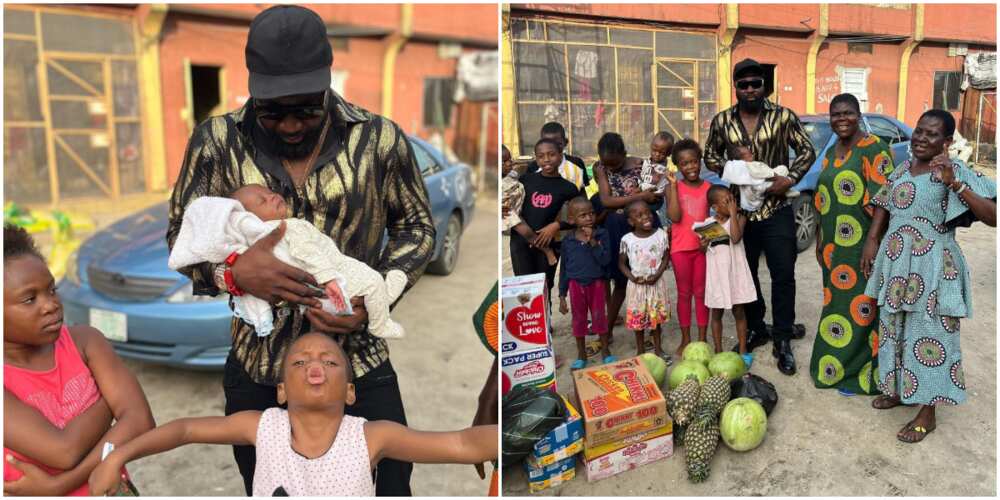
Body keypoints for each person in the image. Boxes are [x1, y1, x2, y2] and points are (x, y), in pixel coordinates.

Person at [164, 6, 435, 494]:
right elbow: (180, 238)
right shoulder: (216, 142)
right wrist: (234, 273)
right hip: (259, 369)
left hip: (358, 362)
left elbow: (417, 227)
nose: (290, 126)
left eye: (306, 109)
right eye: (273, 112)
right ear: (253, 87)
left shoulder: (378, 139)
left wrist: (373, 303)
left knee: (391, 483)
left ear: (328, 81)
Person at [88, 332, 498, 496]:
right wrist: (118, 457)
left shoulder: (371, 436)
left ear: (351, 392)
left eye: (330, 362)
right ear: (280, 391)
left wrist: (516, 433)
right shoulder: (262, 426)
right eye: (299, 363)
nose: (314, 365)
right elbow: (185, 430)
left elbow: (461, 442)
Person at [860, 109, 996, 443]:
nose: (920, 138)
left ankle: (927, 411)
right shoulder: (903, 168)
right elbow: (884, 203)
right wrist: (873, 239)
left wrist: (955, 183)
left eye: (931, 134)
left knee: (930, 335)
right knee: (894, 329)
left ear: (947, 142)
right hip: (896, 264)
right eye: (919, 131)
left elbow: (992, 215)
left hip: (934, 266)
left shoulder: (955, 170)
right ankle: (898, 388)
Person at [3, 224, 155, 496]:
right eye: (29, 299)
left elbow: (141, 421)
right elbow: (64, 451)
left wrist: (61, 484)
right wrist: (112, 403)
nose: (50, 304)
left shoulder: (85, 341)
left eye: (51, 290)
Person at [168, 184, 410, 340]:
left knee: (371, 285)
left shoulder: (256, 245)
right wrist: (329, 277)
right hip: (331, 282)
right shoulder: (287, 228)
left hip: (319, 302)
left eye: (269, 191)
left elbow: (414, 226)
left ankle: (381, 299)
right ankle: (380, 322)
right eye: (263, 200)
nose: (272, 196)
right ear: (249, 219)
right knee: (372, 280)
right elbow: (307, 253)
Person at [703, 58, 816, 375]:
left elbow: (806, 150)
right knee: (745, 274)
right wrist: (734, 165)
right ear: (736, 87)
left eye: (756, 83)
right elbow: (709, 154)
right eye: (744, 84)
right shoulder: (723, 121)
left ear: (765, 86)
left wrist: (789, 179)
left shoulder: (782, 117)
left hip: (777, 209)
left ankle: (782, 338)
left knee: (783, 275)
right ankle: (755, 326)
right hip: (740, 213)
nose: (750, 89)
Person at [808, 93, 895, 396]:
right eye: (835, 114)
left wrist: (872, 242)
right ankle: (836, 365)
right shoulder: (833, 151)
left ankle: (862, 373)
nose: (841, 119)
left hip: (862, 246)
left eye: (847, 113)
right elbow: (822, 199)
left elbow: (884, 200)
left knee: (864, 308)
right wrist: (820, 240)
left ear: (859, 116)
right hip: (835, 248)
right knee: (838, 305)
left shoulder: (874, 149)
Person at [593, 133, 663, 339]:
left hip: (644, 226)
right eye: (608, 165)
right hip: (618, 230)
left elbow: (655, 195)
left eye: (616, 164)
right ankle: (606, 331)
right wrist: (640, 196)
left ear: (625, 153)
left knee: (650, 277)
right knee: (621, 280)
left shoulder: (641, 165)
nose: (612, 168)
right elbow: (606, 201)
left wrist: (640, 198)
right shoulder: (601, 168)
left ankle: (654, 329)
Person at [509, 138, 580, 303]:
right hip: (521, 243)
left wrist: (556, 226)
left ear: (561, 155)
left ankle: (546, 326)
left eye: (551, 154)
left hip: (549, 243)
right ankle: (530, 326)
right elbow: (511, 206)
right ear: (536, 158)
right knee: (524, 288)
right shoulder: (525, 180)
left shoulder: (568, 188)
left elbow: (581, 216)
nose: (546, 159)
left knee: (545, 285)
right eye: (541, 156)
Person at [664, 139, 711, 355]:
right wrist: (673, 187)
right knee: (684, 294)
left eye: (694, 161)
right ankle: (685, 339)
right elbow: (674, 216)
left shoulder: (709, 188)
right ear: (677, 165)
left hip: (701, 250)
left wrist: (708, 240)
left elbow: (714, 219)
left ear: (700, 161)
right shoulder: (672, 187)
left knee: (701, 293)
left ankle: (702, 339)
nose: (690, 167)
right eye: (684, 163)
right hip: (681, 250)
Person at [701, 186, 756, 366]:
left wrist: (733, 213)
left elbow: (735, 238)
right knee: (716, 313)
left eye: (732, 199)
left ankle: (742, 350)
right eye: (727, 201)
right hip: (717, 275)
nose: (732, 202)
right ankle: (718, 350)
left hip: (735, 273)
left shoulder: (740, 218)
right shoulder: (709, 223)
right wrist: (703, 242)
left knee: (739, 311)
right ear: (715, 207)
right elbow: (704, 250)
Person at [558, 197, 614, 369]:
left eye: (591, 213)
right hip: (576, 285)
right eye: (583, 215)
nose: (589, 218)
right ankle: (582, 354)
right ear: (571, 220)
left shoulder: (601, 234)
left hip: (597, 283)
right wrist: (562, 294)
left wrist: (592, 242)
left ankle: (605, 351)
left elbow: (605, 260)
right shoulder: (568, 240)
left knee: (599, 317)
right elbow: (565, 268)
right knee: (578, 320)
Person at [618, 201, 671, 359]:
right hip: (637, 286)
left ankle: (658, 349)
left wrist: (657, 275)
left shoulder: (661, 234)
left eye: (648, 213)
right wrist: (633, 278)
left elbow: (666, 257)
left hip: (656, 283)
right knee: (638, 319)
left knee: (656, 320)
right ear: (631, 221)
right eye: (639, 215)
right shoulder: (627, 240)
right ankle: (640, 350)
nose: (646, 217)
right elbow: (621, 264)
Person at [502, 145, 557, 265]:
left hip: (519, 206)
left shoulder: (511, 175)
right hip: (509, 212)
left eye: (509, 159)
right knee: (526, 232)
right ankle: (547, 250)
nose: (509, 163)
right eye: (504, 161)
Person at [722, 143, 799, 212]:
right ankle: (786, 191)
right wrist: (776, 176)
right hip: (762, 184)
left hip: (752, 194)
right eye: (749, 154)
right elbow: (761, 173)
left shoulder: (737, 169)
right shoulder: (750, 165)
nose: (752, 155)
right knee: (783, 168)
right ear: (742, 158)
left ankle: (785, 191)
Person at [524, 122, 589, 192]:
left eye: (558, 144)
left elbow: (582, 192)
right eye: (548, 144)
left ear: (565, 142)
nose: (553, 148)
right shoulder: (534, 167)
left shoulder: (577, 164)